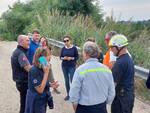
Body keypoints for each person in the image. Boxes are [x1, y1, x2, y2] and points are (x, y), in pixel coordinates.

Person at [69, 41, 115, 113]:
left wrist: (76, 109)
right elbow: (112, 92)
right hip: (101, 108)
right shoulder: (107, 70)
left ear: (86, 54)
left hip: (84, 108)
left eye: (83, 53)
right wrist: (104, 104)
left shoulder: (80, 70)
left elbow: (73, 94)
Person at [109, 34, 135, 113]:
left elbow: (112, 85)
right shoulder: (128, 59)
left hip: (120, 99)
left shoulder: (120, 63)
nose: (111, 50)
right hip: (128, 97)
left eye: (112, 47)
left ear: (119, 47)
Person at [25, 47, 54, 113]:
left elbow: (42, 82)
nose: (50, 57)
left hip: (42, 100)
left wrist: (50, 85)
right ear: (41, 58)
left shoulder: (42, 68)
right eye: (48, 55)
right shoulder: (34, 70)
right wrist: (46, 73)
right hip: (36, 100)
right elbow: (40, 90)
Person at [11, 35, 31, 113]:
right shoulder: (20, 53)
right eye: (27, 40)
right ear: (21, 42)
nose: (29, 42)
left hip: (20, 82)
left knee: (24, 103)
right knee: (25, 104)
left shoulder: (18, 51)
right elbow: (29, 69)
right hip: (23, 82)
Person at [60, 35, 79, 100]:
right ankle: (68, 94)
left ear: (70, 41)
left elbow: (77, 57)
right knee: (66, 81)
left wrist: (71, 58)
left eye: (67, 40)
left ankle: (74, 94)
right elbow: (60, 57)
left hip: (72, 66)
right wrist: (64, 58)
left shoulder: (74, 48)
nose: (66, 42)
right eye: (64, 41)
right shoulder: (63, 48)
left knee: (72, 80)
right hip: (64, 66)